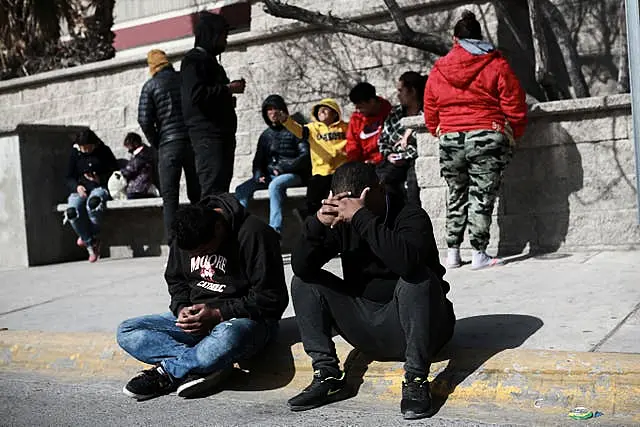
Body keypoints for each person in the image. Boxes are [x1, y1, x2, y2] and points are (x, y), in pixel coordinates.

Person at [288, 162, 455, 420]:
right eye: (341, 203)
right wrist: (316, 225)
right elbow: (302, 267)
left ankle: (416, 379)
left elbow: (407, 264)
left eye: (352, 203)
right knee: (304, 282)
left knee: (417, 279)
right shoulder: (342, 221)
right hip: (369, 326)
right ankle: (328, 374)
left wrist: (362, 217)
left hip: (421, 328)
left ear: (377, 190)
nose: (346, 211)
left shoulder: (410, 216)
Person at [117, 193, 289, 400]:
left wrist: (218, 314)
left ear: (218, 227)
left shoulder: (255, 233)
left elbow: (272, 298)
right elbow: (176, 279)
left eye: (205, 251)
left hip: (244, 322)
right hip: (199, 322)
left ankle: (167, 373)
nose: (198, 258)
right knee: (127, 331)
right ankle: (208, 364)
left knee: (227, 338)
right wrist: (181, 308)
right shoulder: (186, 234)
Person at [424, 10, 527, 270]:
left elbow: (430, 107)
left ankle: (453, 254)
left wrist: (438, 129)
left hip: (450, 138)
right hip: (486, 133)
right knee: (481, 195)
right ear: (480, 37)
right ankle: (479, 254)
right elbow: (513, 103)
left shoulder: (439, 68)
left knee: (456, 193)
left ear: (454, 38)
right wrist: (515, 131)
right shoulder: (495, 63)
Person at [181, 12, 245, 198]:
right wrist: (227, 89)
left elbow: (209, 95)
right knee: (211, 191)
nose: (225, 41)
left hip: (221, 135)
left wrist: (226, 97)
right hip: (208, 137)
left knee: (221, 190)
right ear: (212, 35)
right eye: (223, 36)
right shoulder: (194, 61)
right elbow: (196, 95)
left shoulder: (210, 62)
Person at [138, 49, 200, 239]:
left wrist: (157, 142)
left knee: (170, 198)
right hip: (192, 141)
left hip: (168, 145)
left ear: (152, 66)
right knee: (197, 194)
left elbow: (144, 120)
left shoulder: (150, 86)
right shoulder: (184, 79)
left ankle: (175, 248)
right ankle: (201, 239)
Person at [234, 95, 310, 234]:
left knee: (275, 186)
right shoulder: (266, 135)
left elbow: (305, 156)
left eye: (276, 109)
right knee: (241, 190)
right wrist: (259, 175)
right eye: (269, 110)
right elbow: (258, 161)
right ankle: (239, 229)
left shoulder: (295, 130)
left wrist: (283, 168)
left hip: (293, 174)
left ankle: (275, 231)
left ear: (283, 111)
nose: (273, 113)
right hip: (269, 175)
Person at [276, 98, 348, 217]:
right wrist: (286, 121)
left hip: (341, 171)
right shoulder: (312, 128)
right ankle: (309, 218)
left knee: (340, 201)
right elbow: (298, 130)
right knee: (314, 200)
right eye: (319, 111)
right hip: (320, 171)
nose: (322, 113)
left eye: (325, 110)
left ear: (335, 113)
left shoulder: (345, 127)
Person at [64, 129, 118, 263]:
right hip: (80, 189)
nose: (86, 150)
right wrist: (77, 186)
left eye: (88, 147)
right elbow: (69, 177)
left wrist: (99, 179)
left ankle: (87, 237)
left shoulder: (103, 151)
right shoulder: (75, 153)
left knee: (94, 204)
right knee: (71, 212)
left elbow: (115, 171)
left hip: (99, 187)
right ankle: (90, 242)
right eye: (83, 148)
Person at [377, 72, 427, 205]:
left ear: (413, 91)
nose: (398, 95)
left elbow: (427, 144)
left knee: (413, 186)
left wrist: (406, 154)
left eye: (401, 90)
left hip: (415, 161)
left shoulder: (427, 113)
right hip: (394, 162)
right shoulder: (395, 114)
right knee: (381, 180)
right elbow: (383, 140)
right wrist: (389, 155)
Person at [346, 82, 392, 165]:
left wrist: (376, 160)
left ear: (372, 101)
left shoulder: (389, 114)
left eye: (361, 107)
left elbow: (391, 144)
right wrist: (355, 164)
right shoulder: (356, 119)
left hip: (385, 163)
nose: (358, 111)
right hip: (363, 165)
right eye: (356, 107)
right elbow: (352, 144)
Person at [119, 132, 156, 200]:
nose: (129, 150)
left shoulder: (141, 156)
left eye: (129, 146)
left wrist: (120, 172)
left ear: (135, 144)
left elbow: (129, 170)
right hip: (144, 187)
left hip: (138, 189)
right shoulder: (146, 152)